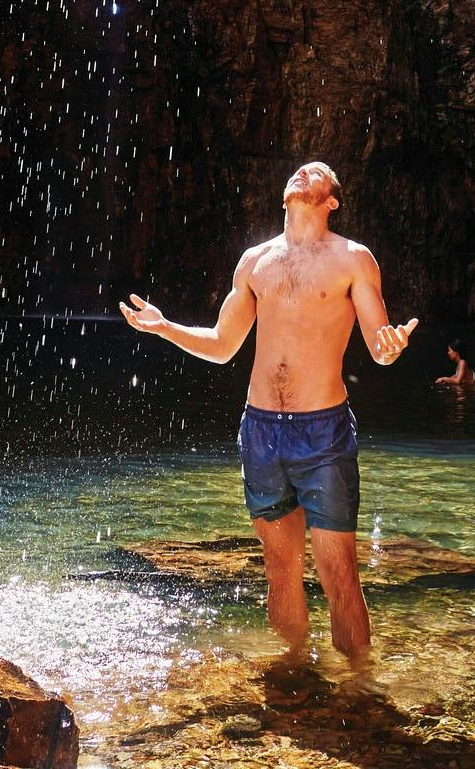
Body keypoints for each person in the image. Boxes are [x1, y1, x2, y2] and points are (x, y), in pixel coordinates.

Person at [120, 160, 416, 659]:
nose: (303, 172)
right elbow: (221, 344)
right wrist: (164, 327)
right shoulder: (254, 261)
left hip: (322, 432)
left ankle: (359, 687)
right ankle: (294, 672)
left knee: (339, 571)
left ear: (332, 201)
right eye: (299, 169)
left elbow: (378, 344)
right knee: (280, 570)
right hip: (259, 430)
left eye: (316, 172)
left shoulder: (353, 259)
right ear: (283, 195)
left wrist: (391, 348)